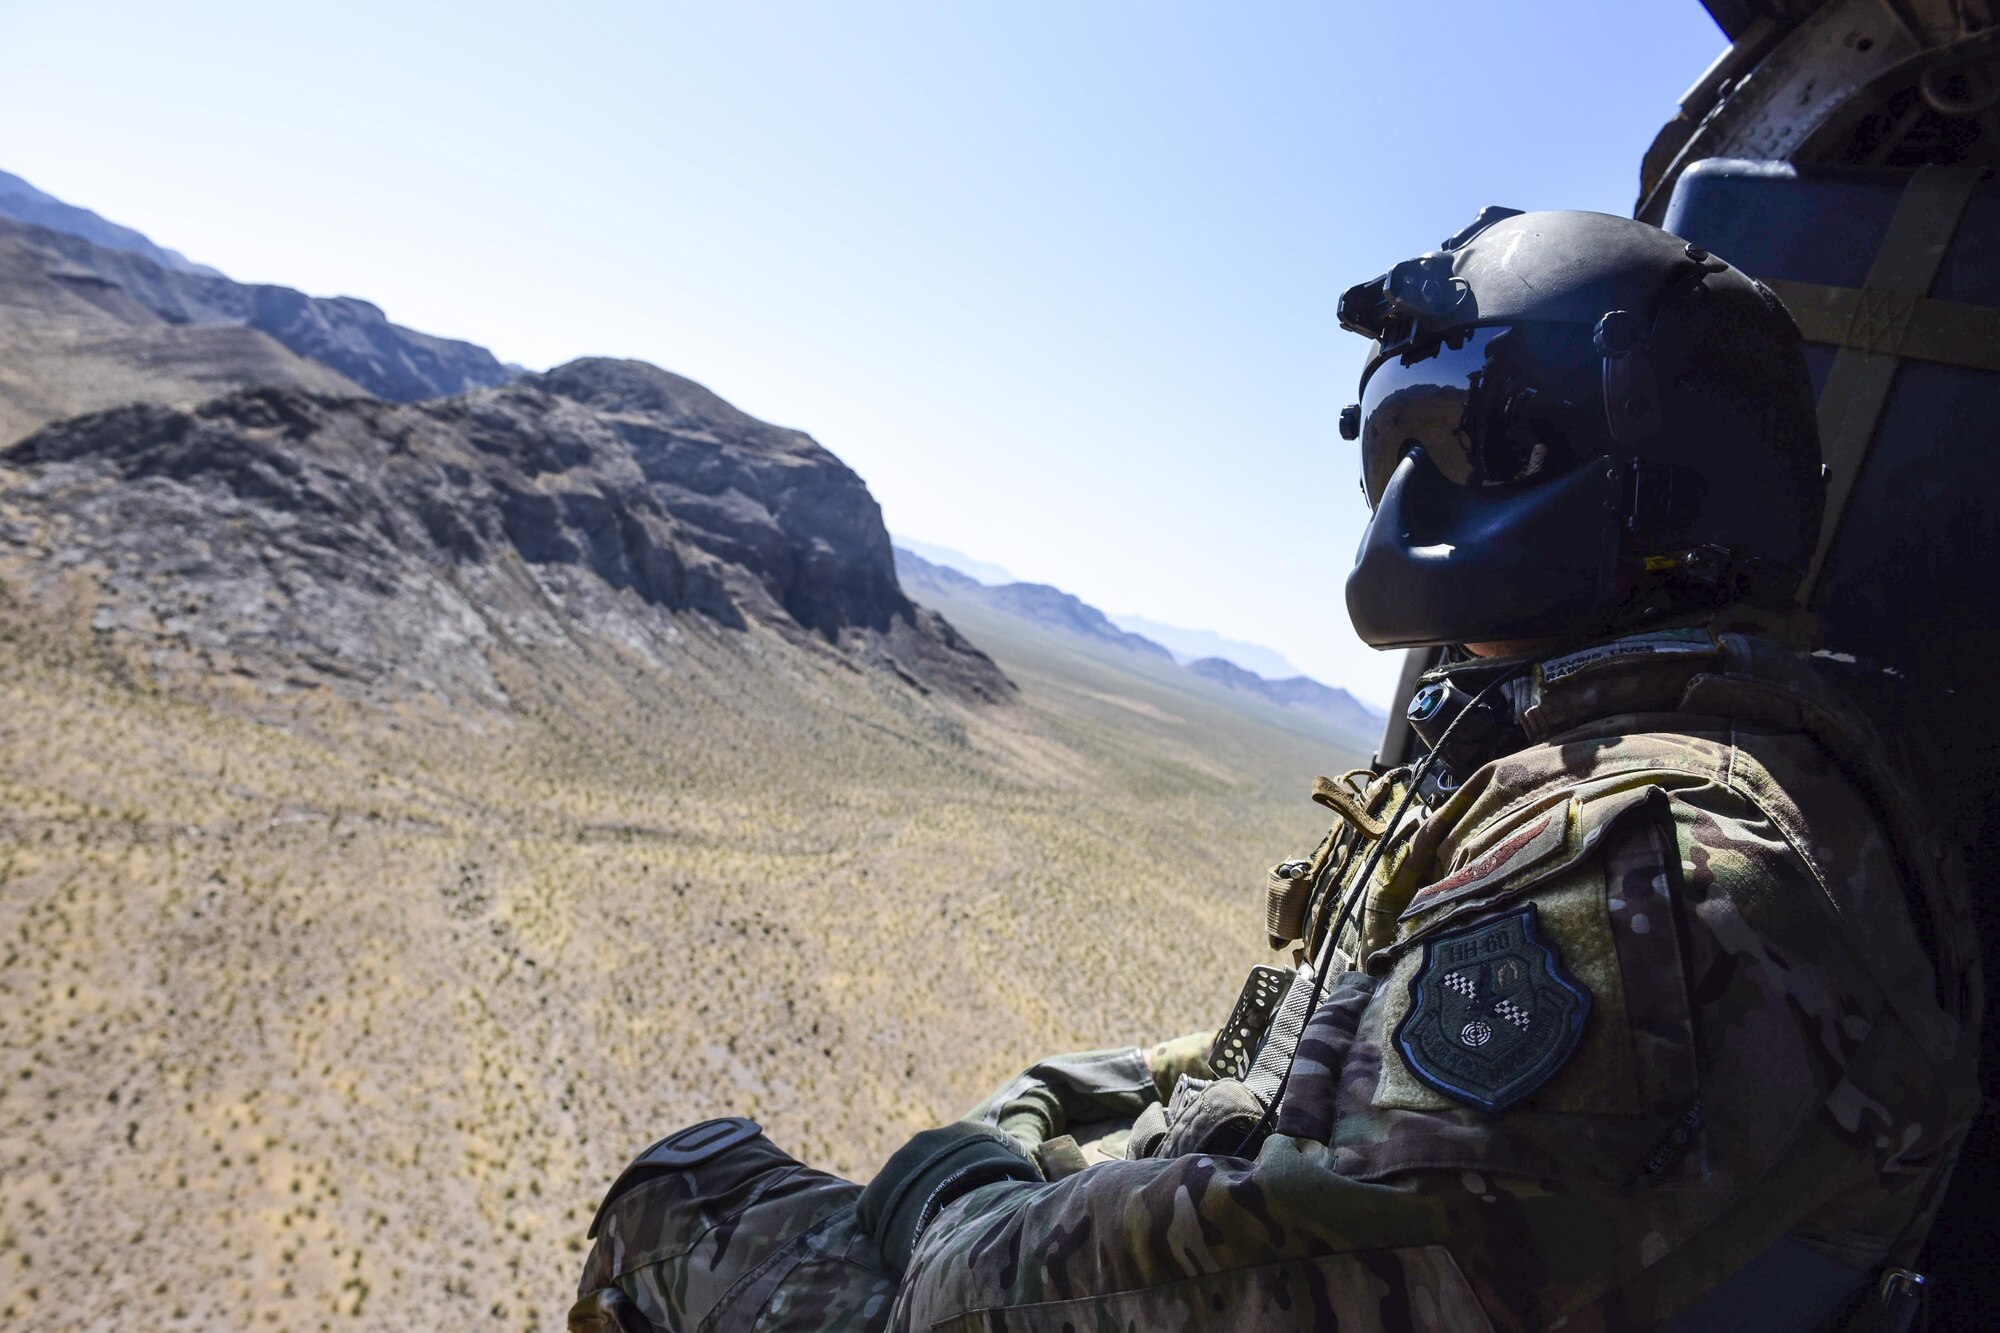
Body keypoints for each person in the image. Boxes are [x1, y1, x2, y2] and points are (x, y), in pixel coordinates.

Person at [569, 210, 1978, 1332]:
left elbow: (1264, 1283)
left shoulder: (1651, 862)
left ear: (1616, 468)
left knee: (682, 1195)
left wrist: (960, 1206)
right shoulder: (1653, 760)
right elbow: (1340, 1052)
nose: (1408, 496)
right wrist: (1096, 1089)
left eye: (1457, 437)